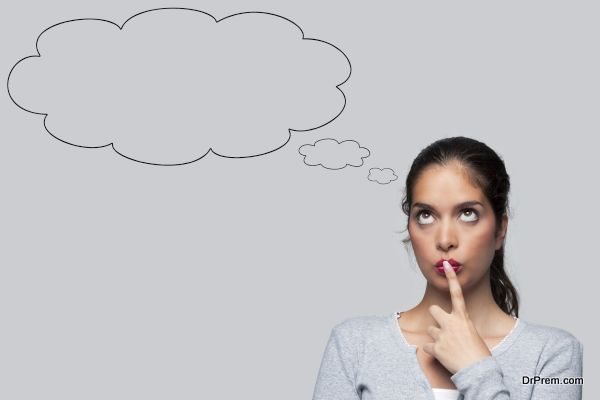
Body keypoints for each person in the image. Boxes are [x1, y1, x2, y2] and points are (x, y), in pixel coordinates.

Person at [312, 136, 583, 400]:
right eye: (426, 215)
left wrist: (474, 367)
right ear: (410, 227)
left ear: (500, 229)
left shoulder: (555, 353)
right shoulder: (353, 344)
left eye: (468, 213)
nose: (444, 240)